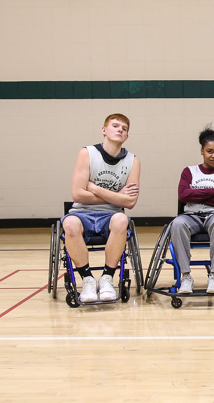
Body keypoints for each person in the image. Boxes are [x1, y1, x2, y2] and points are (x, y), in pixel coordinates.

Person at [61, 113, 141, 303]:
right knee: (70, 224)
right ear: (104, 131)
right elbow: (78, 195)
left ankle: (107, 278)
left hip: (112, 215)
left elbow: (129, 203)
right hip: (81, 212)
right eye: (115, 126)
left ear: (127, 136)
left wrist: (95, 188)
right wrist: (116, 196)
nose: (120, 129)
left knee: (122, 220)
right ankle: (87, 279)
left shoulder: (133, 161)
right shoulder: (86, 153)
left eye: (124, 128)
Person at [172, 126, 214, 295]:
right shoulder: (189, 171)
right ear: (202, 151)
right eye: (210, 151)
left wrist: (196, 193)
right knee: (177, 224)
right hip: (191, 216)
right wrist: (213, 191)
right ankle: (185, 276)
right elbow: (183, 195)